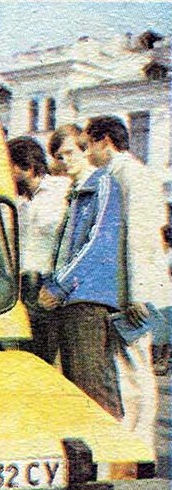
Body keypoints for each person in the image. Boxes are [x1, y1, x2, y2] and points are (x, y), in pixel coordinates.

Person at [83, 115, 170, 449]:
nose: (88, 153)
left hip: (133, 292)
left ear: (105, 141)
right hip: (120, 289)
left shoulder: (132, 176)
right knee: (125, 366)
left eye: (89, 145)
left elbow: (140, 238)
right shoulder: (117, 174)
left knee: (135, 367)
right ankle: (130, 438)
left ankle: (139, 442)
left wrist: (136, 295)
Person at [38, 124, 123, 418]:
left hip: (88, 297)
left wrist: (59, 286)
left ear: (86, 149)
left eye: (70, 152)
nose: (65, 161)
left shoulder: (102, 184)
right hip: (70, 297)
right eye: (59, 156)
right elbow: (63, 248)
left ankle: (110, 445)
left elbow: (99, 242)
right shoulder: (75, 193)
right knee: (74, 384)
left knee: (91, 384)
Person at [7, 136, 68, 364]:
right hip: (22, 282)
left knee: (43, 350)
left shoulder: (60, 191)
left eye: (10, 166)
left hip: (46, 281)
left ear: (27, 166)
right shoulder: (19, 200)